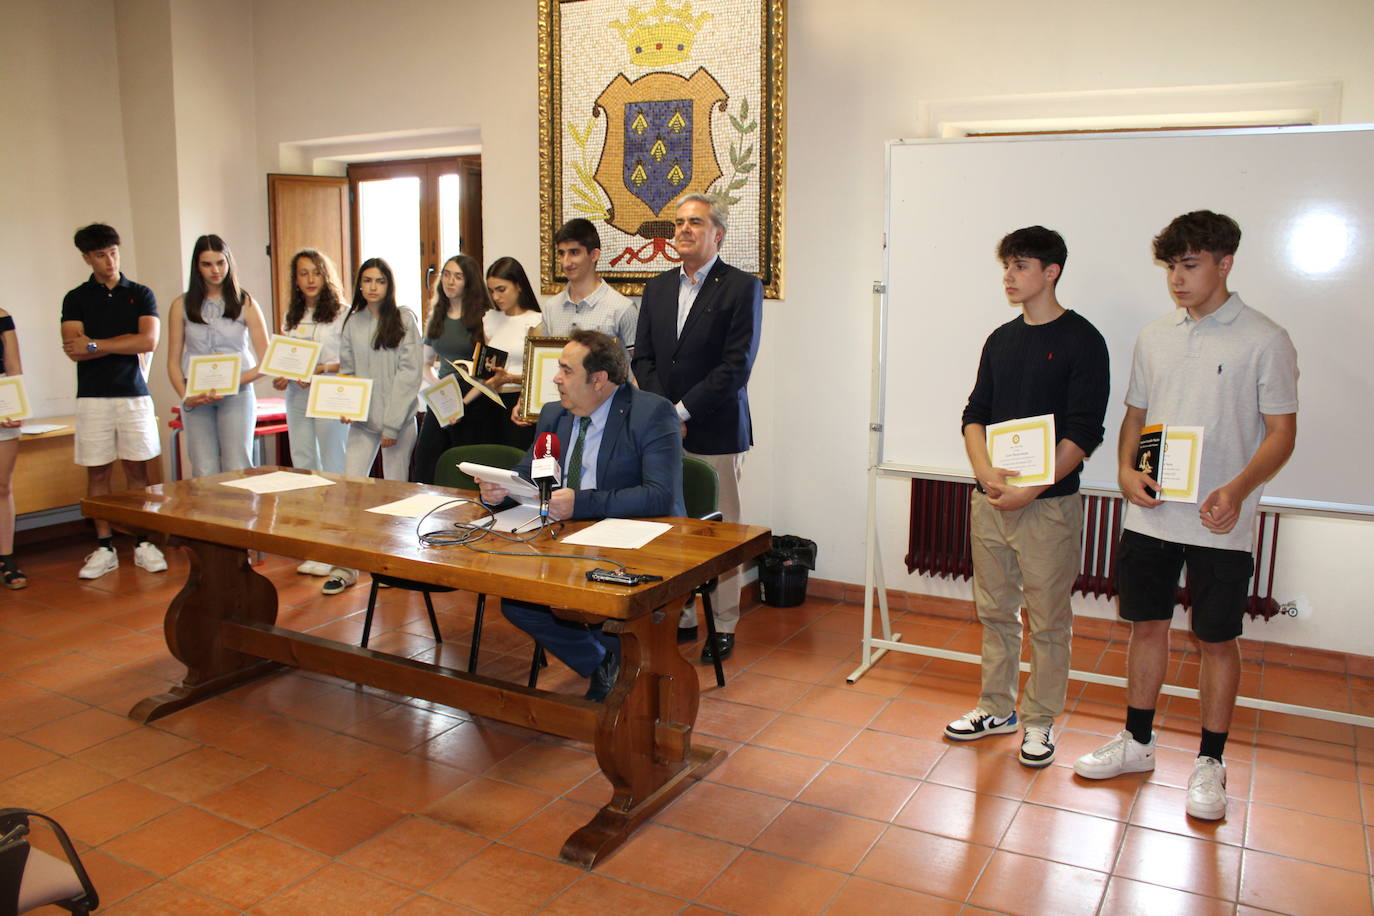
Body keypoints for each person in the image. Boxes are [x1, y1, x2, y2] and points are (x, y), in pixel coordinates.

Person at [1074, 211, 1298, 821]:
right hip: (1151, 514)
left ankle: (1210, 763)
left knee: (1215, 639)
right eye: (1172, 265)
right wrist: (1124, 472)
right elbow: (1135, 417)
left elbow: (1281, 433)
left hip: (1219, 519)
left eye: (1190, 265)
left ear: (1225, 264)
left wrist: (1239, 486)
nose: (1177, 277)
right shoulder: (1155, 335)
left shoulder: (1265, 338)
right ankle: (1139, 742)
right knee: (1146, 625)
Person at [943, 226, 1110, 768]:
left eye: (1019, 266)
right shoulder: (1001, 339)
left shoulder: (1085, 340)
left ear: (1050, 271)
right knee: (994, 611)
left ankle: (1039, 721)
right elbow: (976, 414)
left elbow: (1084, 432)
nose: (1009, 277)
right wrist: (987, 471)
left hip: (1048, 506)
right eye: (1007, 267)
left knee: (1047, 619)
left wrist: (1030, 490)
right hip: (991, 499)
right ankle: (996, 708)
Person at [476, 330, 684, 701]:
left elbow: (660, 496)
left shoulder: (652, 413)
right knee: (518, 602)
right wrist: (501, 490)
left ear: (599, 380)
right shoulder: (556, 414)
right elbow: (530, 472)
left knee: (600, 606)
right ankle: (603, 663)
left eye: (566, 370)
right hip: (564, 537)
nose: (556, 378)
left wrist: (583, 504)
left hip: (633, 540)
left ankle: (628, 675)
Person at [633, 193, 763, 663]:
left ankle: (723, 623)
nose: (684, 230)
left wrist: (682, 412)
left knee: (718, 531)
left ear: (717, 234)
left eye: (696, 223)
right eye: (679, 223)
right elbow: (643, 357)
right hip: (663, 431)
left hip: (716, 428)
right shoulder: (657, 288)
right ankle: (682, 616)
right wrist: (664, 414)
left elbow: (736, 366)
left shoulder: (742, 287)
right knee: (670, 527)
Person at [60, 223, 167, 580]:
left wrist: (98, 343)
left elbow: (147, 341)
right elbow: (75, 349)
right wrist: (118, 342)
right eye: (101, 255)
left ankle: (143, 542)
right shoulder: (76, 298)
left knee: (138, 470)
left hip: (133, 394)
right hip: (92, 396)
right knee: (98, 471)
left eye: (114, 252)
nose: (110, 260)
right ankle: (104, 546)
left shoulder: (140, 293)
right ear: (87, 258)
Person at [325, 257, 423, 595]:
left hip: (397, 425)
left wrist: (392, 426)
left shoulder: (404, 319)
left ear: (389, 285)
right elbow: (348, 371)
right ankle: (345, 567)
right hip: (363, 425)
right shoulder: (353, 322)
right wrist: (345, 405)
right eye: (366, 280)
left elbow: (410, 375)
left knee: (396, 496)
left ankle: (395, 565)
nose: (372, 287)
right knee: (350, 491)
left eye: (379, 281)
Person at [166, 235, 269, 478]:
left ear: (229, 263)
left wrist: (232, 382)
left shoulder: (246, 303)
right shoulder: (181, 305)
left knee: (237, 466)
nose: (215, 270)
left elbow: (267, 361)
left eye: (220, 263)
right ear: (197, 267)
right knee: (203, 468)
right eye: (207, 264)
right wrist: (186, 396)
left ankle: (241, 517)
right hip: (196, 396)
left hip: (237, 395)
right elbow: (172, 361)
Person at [276, 249, 348, 577]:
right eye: (302, 273)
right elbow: (285, 358)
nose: (309, 279)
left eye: (314, 272)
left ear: (325, 275)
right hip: (297, 396)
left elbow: (349, 361)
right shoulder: (292, 315)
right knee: (304, 467)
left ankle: (338, 548)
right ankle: (315, 545)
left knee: (333, 470)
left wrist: (318, 368)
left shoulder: (342, 314)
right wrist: (280, 374)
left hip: (330, 394)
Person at [411, 254, 489, 484]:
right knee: (426, 457)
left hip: (472, 398)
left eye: (458, 277)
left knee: (465, 462)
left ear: (469, 282)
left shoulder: (482, 317)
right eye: (446, 275)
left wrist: (462, 403)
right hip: (443, 398)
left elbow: (486, 372)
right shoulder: (436, 316)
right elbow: (425, 363)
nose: (450, 281)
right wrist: (438, 388)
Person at [468, 257, 543, 450]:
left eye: (501, 289)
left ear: (518, 286)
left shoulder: (535, 321)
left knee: (513, 462)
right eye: (492, 291)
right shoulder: (490, 319)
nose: (496, 297)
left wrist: (509, 378)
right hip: (490, 400)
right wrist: (463, 403)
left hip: (518, 403)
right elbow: (485, 373)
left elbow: (539, 376)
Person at [0, 309, 25, 588]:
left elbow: (14, 367)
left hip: (1, 405)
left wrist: (17, 405)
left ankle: (6, 559)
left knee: (3, 486)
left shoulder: (2, 317)